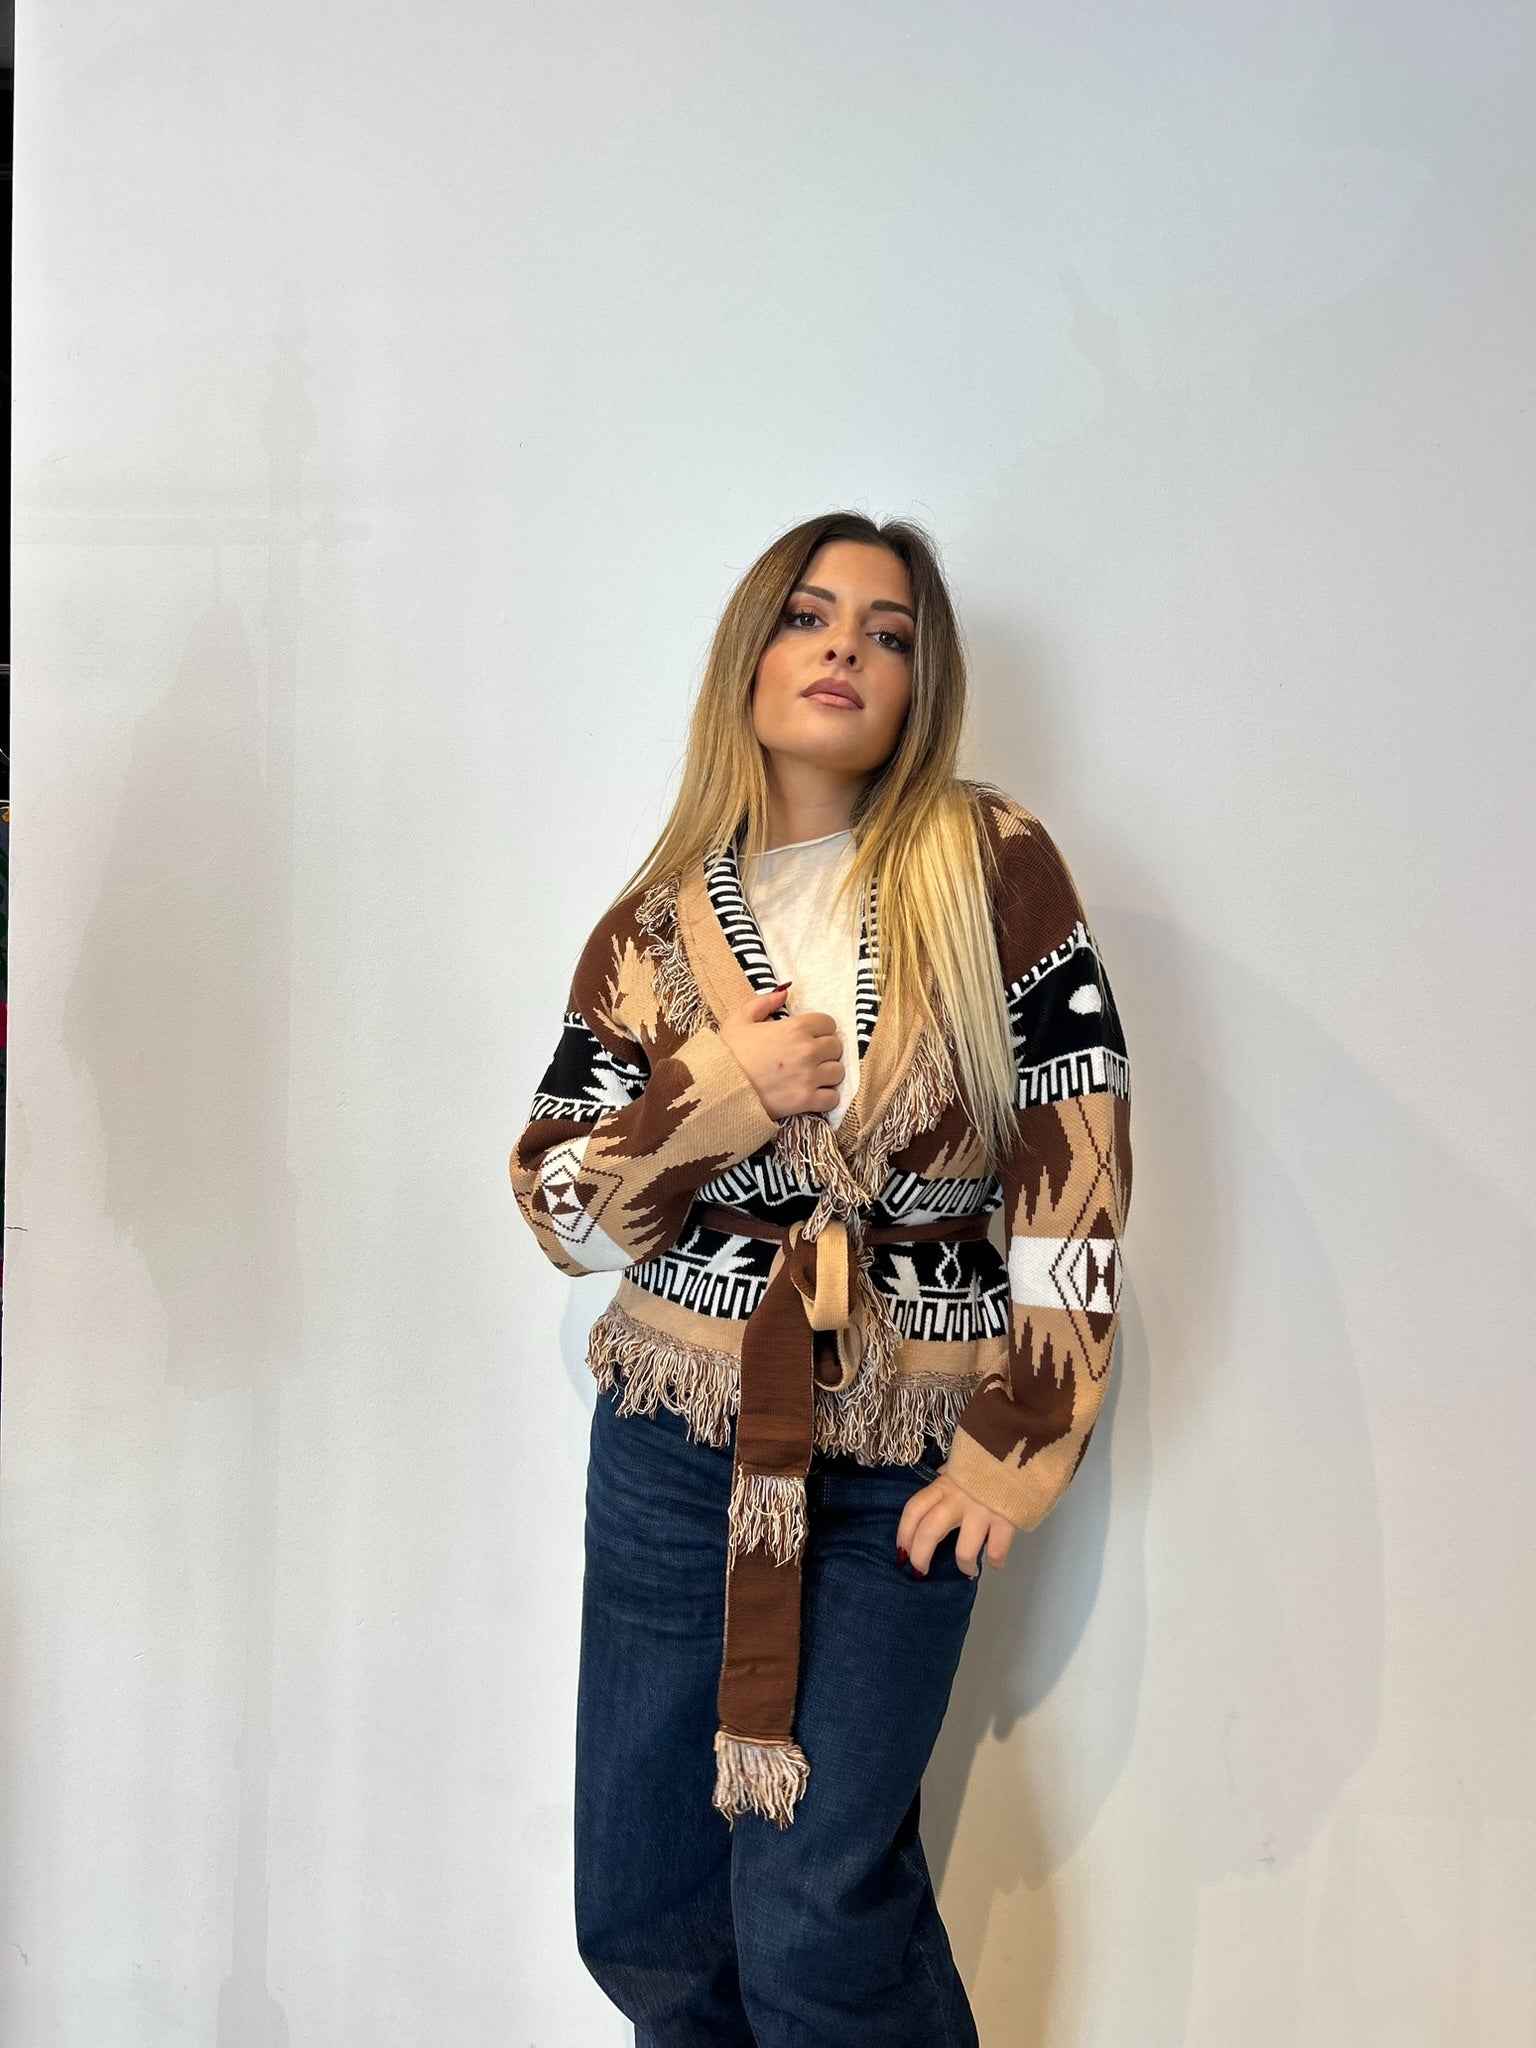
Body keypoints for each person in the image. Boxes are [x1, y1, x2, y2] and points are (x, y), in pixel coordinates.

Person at [508, 510, 1133, 2047]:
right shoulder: (653, 925)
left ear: (922, 685)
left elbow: (1078, 1137)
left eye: (888, 631)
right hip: (672, 1445)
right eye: (809, 615)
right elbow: (559, 1206)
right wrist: (718, 1092)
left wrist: (1021, 1437)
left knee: (817, 1911)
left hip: (899, 1453)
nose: (846, 644)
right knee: (644, 1907)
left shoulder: (989, 866)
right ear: (752, 655)